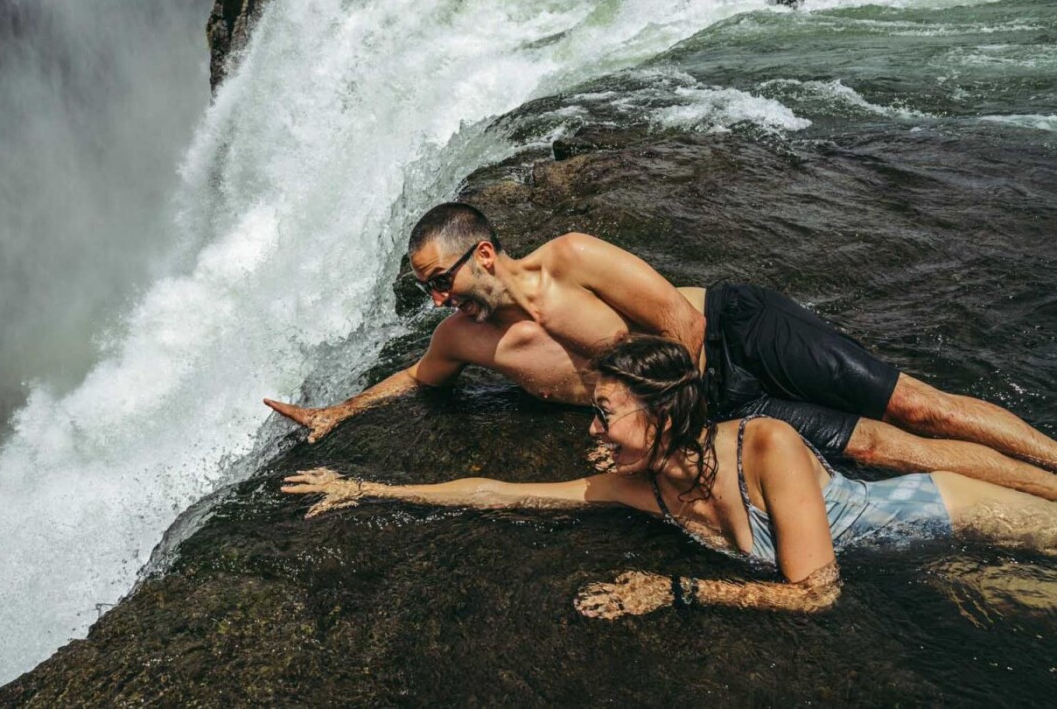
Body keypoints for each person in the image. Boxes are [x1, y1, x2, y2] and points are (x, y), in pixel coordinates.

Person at [265, 202, 1057, 500]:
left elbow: (680, 324)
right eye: (427, 290)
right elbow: (417, 377)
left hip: (741, 335)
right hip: (709, 405)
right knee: (887, 452)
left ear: (484, 254)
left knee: (919, 406)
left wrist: (665, 424)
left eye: (440, 281)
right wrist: (339, 412)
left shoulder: (571, 258)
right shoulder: (463, 339)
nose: (436, 301)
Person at [281, 336, 1057, 617]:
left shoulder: (766, 446)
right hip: (925, 562)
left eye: (605, 414)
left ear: (660, 413)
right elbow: (497, 491)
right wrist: (365, 488)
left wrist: (675, 591)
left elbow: (816, 592)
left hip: (956, 513)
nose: (592, 432)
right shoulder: (645, 487)